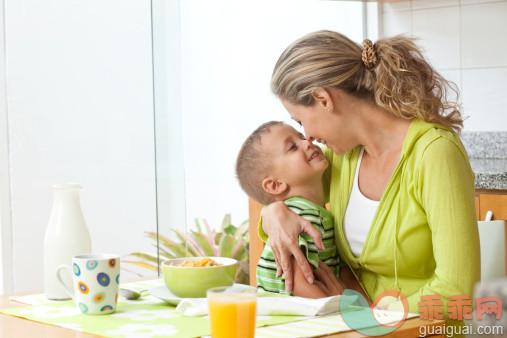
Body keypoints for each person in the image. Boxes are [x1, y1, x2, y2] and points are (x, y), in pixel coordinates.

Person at [261, 30, 480, 317]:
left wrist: (366, 317)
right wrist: (273, 213)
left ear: (324, 99)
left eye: (301, 120)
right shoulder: (343, 158)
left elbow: (457, 290)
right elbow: (287, 191)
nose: (308, 136)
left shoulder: (435, 153)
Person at [235, 121, 366, 298]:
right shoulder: (303, 216)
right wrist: (344, 310)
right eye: (293, 147)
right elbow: (301, 286)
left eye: (302, 137)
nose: (307, 142)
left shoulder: (311, 213)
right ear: (275, 185)